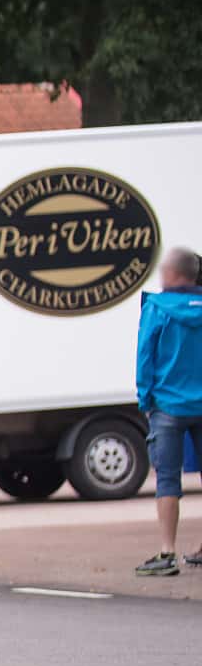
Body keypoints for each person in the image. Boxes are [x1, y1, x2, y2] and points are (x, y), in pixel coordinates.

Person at [134, 245, 202, 576]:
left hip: (168, 407)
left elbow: (146, 357)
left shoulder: (158, 309)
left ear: (173, 275)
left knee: (168, 481)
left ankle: (167, 552)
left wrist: (145, 401)